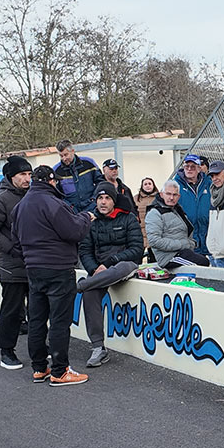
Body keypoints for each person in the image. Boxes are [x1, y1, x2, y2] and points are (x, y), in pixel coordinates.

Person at [13, 165, 94, 386]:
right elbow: (74, 231)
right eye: (55, 181)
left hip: (33, 269)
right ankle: (60, 371)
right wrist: (86, 217)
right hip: (58, 269)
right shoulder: (54, 204)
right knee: (59, 321)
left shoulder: (20, 206)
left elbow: (15, 239)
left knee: (37, 320)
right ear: (50, 181)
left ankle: (40, 368)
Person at [77, 182, 144, 367]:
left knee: (121, 268)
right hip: (99, 270)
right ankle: (98, 348)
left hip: (123, 264)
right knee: (90, 293)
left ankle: (80, 286)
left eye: (107, 198)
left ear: (114, 201)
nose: (103, 202)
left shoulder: (128, 218)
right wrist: (93, 269)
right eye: (100, 198)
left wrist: (109, 262)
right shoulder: (91, 221)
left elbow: (137, 249)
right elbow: (84, 250)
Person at [0, 156, 32, 370]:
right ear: (10, 177)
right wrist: (11, 248)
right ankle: (7, 351)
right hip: (12, 265)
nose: (27, 179)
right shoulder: (0, 199)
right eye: (22, 175)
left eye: (29, 174)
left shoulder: (34, 196)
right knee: (11, 310)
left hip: (34, 263)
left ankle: (39, 347)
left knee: (38, 309)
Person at [145, 179, 210, 268]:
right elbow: (154, 241)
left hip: (183, 252)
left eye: (174, 195)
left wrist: (191, 243)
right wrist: (183, 244)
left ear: (179, 196)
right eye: (168, 194)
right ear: (161, 194)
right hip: (169, 258)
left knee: (204, 261)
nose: (171, 198)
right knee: (202, 264)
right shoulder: (155, 213)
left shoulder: (177, 210)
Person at [173, 153, 213, 257]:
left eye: (193, 167)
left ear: (199, 168)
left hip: (208, 238)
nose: (189, 169)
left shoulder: (209, 184)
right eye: (187, 166)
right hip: (187, 239)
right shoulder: (175, 185)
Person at [53, 138, 102, 213]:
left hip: (92, 208)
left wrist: (94, 199)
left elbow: (101, 182)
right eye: (61, 156)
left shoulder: (89, 163)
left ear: (72, 151)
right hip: (72, 212)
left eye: (66, 155)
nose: (64, 158)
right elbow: (56, 194)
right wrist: (68, 206)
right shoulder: (56, 171)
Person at [134, 177, 159, 252]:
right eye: (145, 184)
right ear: (142, 186)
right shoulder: (136, 198)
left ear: (153, 185)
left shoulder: (160, 197)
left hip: (155, 231)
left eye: (149, 184)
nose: (147, 186)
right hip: (140, 232)